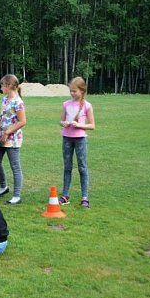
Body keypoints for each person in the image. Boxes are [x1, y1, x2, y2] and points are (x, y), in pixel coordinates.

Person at [59, 76, 95, 208]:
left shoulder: (87, 106)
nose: (72, 93)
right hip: (67, 138)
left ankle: (85, 197)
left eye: (75, 91)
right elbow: (61, 121)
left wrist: (79, 125)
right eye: (71, 91)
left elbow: (92, 125)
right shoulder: (66, 104)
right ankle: (65, 195)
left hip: (80, 139)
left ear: (82, 91)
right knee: (67, 167)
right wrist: (65, 123)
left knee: (82, 167)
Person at [0, 74, 26, 205]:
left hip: (13, 139)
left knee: (15, 167)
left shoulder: (18, 102)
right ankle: (3, 186)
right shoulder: (5, 99)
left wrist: (8, 131)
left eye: (2, 85)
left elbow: (22, 121)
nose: (1, 88)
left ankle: (16, 195)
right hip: (1, 137)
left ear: (9, 86)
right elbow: (3, 114)